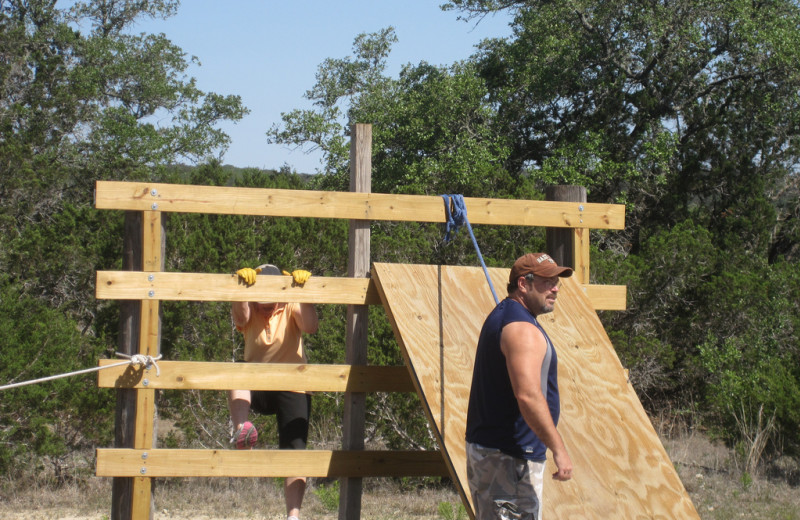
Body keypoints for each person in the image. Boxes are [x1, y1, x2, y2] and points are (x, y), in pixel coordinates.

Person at [465, 253, 574, 520]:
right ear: (523, 284)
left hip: (502, 457)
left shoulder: (506, 317)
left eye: (556, 281)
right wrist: (558, 449)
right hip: (509, 460)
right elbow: (527, 395)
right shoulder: (521, 329)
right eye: (548, 281)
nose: (555, 288)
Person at [231, 263, 318, 520]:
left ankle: (293, 515)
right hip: (256, 385)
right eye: (262, 299)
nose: (266, 305)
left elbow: (310, 325)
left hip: (291, 385)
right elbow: (240, 318)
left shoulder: (289, 302)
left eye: (270, 299)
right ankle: (241, 429)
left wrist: (301, 292)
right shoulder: (250, 307)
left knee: (295, 451)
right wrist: (242, 291)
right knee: (236, 371)